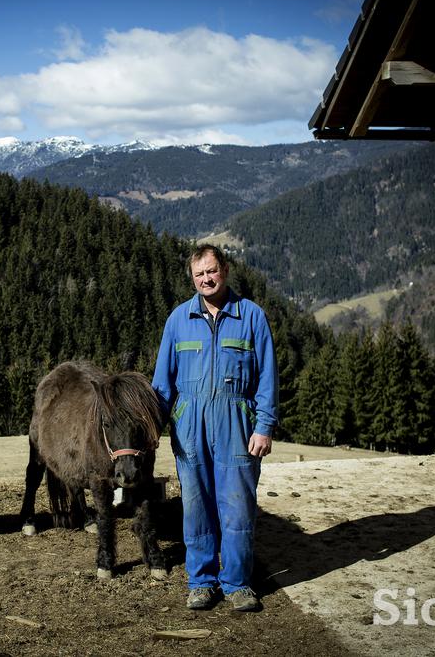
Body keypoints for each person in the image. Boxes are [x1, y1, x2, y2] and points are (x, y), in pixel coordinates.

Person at [151, 244, 278, 611]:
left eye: (211, 271)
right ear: (192, 279)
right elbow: (162, 384)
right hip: (189, 430)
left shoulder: (251, 316)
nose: (206, 279)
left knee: (237, 510)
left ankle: (237, 584)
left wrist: (264, 426)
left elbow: (267, 378)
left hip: (237, 427)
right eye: (199, 274)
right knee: (196, 508)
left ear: (224, 270)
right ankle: (201, 582)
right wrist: (154, 428)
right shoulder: (177, 320)